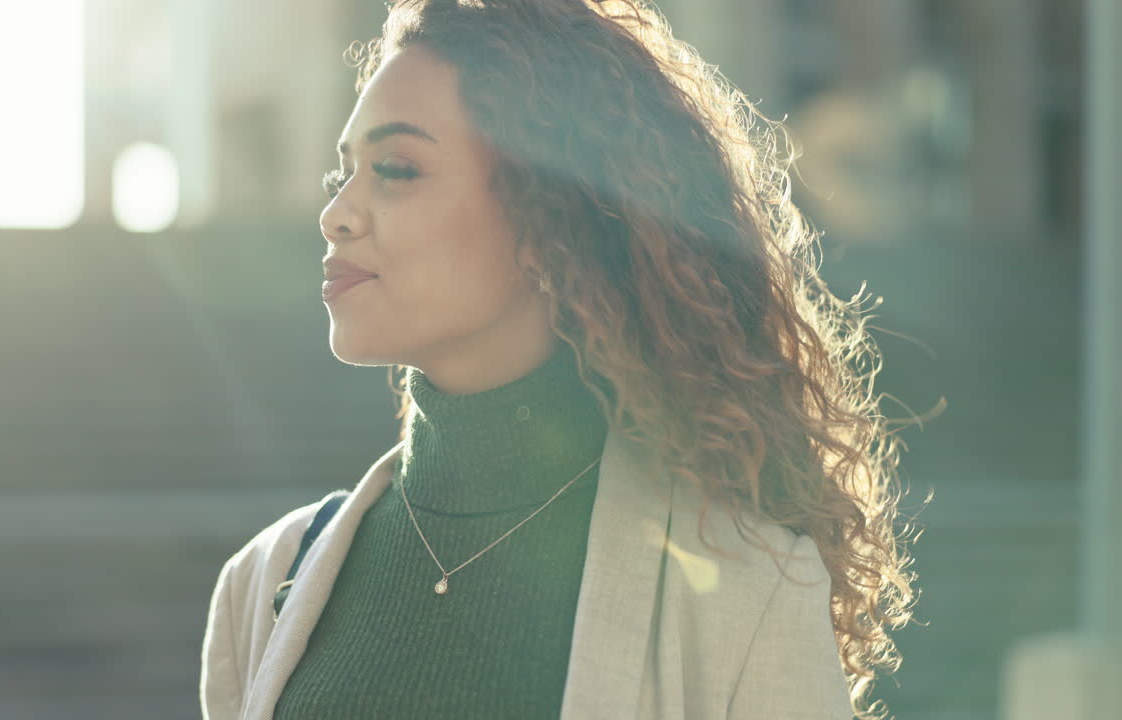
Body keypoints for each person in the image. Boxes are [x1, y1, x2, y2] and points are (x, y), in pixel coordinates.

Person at [200, 1, 920, 718]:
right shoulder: (262, 585)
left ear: (548, 217)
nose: (336, 215)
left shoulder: (750, 590)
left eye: (395, 168)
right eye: (342, 177)